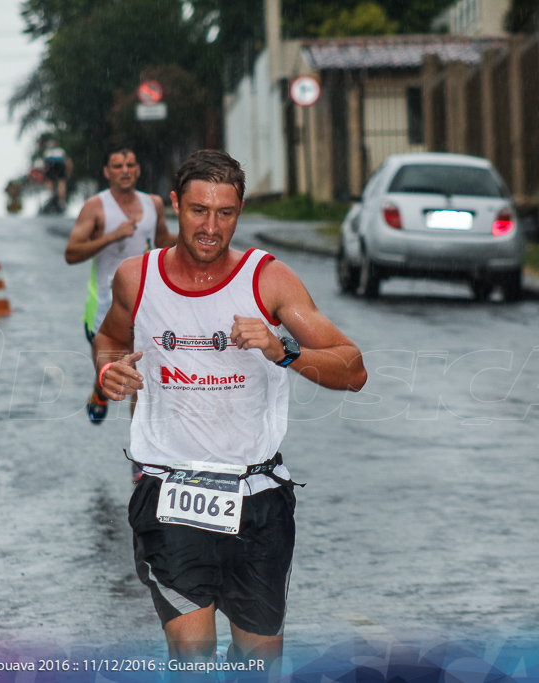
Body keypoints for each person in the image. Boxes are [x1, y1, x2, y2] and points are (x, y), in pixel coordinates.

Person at [96, 150, 367, 666]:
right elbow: (109, 337)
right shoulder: (137, 278)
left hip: (257, 495)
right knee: (193, 655)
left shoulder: (268, 280)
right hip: (169, 489)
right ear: (175, 204)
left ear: (240, 210)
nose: (210, 227)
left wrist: (280, 348)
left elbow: (352, 369)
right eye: (199, 210)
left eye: (225, 213)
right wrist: (109, 374)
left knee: (256, 662)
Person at [64, 146, 175, 426]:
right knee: (111, 375)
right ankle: (99, 394)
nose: (124, 170)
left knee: (140, 381)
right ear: (107, 172)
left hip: (146, 305)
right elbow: (71, 252)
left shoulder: (153, 204)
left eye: (130, 164)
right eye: (117, 166)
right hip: (105, 307)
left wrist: (194, 236)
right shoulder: (95, 207)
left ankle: (141, 463)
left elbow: (163, 240)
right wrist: (111, 236)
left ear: (137, 170)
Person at [42, 137, 72, 213]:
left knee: (50, 180)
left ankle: (51, 193)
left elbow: (44, 166)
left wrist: (44, 175)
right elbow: (68, 162)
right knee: (61, 182)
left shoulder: (47, 152)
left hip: (51, 165)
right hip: (59, 165)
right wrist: (68, 172)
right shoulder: (61, 151)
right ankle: (62, 201)